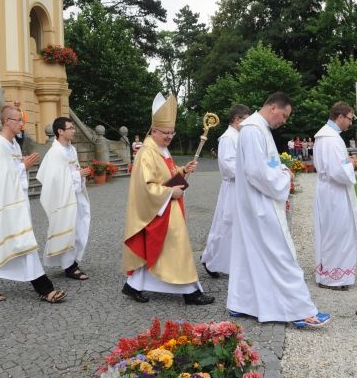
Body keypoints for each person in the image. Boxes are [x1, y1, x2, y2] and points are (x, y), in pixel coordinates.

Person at [227, 92, 330, 328]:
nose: (284, 121)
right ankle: (301, 310)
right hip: (261, 204)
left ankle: (241, 302)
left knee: (250, 254)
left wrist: (281, 172)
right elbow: (256, 171)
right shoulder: (253, 129)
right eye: (284, 115)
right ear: (273, 108)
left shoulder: (258, 128)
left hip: (257, 202)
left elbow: (264, 166)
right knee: (282, 254)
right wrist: (284, 176)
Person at [121, 93, 214, 306]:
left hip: (167, 207)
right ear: (154, 131)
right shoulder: (146, 153)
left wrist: (182, 169)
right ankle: (190, 292)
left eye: (172, 132)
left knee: (159, 248)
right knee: (176, 246)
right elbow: (145, 187)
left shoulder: (161, 149)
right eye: (165, 133)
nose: (169, 136)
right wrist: (170, 192)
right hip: (158, 208)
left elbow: (165, 174)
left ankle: (133, 285)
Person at [0, 105, 66, 303]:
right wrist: (23, 166)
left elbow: (9, 172)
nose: (22, 124)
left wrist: (21, 164)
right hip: (6, 205)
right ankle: (44, 289)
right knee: (25, 244)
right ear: (7, 121)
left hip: (15, 203)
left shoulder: (12, 144)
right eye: (18, 120)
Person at [312, 102, 357, 291]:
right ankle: (334, 278)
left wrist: (346, 162)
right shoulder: (331, 139)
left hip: (330, 190)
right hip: (334, 192)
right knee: (337, 233)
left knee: (333, 232)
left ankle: (331, 274)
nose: (351, 123)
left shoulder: (327, 136)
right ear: (340, 117)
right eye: (350, 119)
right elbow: (337, 171)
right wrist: (351, 165)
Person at [37, 117, 92, 280]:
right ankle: (70, 267)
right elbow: (54, 179)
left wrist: (81, 175)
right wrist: (77, 175)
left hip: (74, 195)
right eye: (70, 128)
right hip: (62, 198)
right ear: (60, 131)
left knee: (77, 229)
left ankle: (71, 262)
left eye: (73, 127)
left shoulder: (71, 149)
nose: (74, 131)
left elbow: (71, 170)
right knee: (68, 230)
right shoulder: (55, 152)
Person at [201, 104, 251, 277]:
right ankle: (209, 259)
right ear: (237, 119)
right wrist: (251, 170)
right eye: (246, 119)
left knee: (235, 227)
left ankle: (229, 262)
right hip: (232, 187)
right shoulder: (228, 138)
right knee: (225, 226)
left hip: (240, 187)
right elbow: (228, 167)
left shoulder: (239, 136)